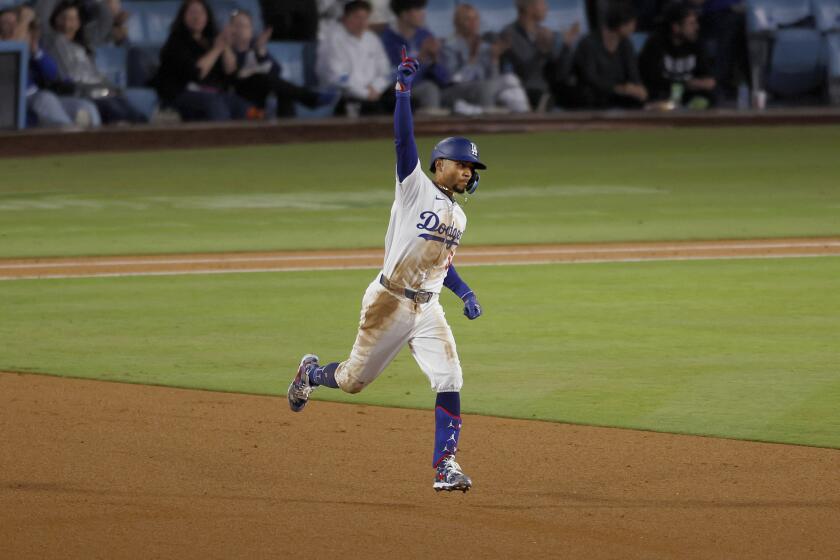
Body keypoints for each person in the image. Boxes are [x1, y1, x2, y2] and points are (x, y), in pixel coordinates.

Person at [286, 48, 485, 493]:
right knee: (354, 381)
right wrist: (402, 91)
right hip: (389, 301)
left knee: (450, 377)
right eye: (463, 163)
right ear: (440, 165)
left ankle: (445, 466)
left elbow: (440, 265)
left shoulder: (460, 217)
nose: (469, 171)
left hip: (428, 308)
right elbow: (402, 141)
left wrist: (465, 292)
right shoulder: (414, 188)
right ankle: (311, 374)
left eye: (472, 166)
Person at [43, 0, 146, 123]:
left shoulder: (84, 42)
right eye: (63, 18)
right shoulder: (50, 40)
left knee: (137, 116)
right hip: (80, 93)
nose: (67, 24)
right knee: (118, 114)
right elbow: (42, 14)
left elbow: (105, 18)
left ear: (78, 23)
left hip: (102, 92)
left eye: (72, 19)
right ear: (54, 19)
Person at [155, 0, 251, 121]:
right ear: (183, 16)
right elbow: (196, 73)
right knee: (214, 102)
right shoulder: (175, 43)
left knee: (244, 107)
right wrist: (216, 50)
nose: (197, 17)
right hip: (182, 94)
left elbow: (231, 73)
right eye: (193, 12)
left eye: (201, 13)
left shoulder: (212, 40)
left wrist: (225, 44)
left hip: (216, 93)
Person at [229, 9, 334, 118]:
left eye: (247, 26)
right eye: (239, 25)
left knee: (284, 93)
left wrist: (261, 52)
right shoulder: (229, 49)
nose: (243, 30)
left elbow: (276, 71)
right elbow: (232, 75)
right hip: (241, 91)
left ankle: (289, 131)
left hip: (263, 90)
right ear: (231, 29)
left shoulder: (256, 47)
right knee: (263, 78)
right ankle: (310, 98)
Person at [441, 3, 530, 114]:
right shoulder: (450, 47)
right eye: (468, 19)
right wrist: (472, 59)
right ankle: (488, 119)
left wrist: (494, 59)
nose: (474, 23)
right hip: (456, 91)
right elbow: (454, 80)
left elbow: (493, 78)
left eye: (476, 19)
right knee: (487, 87)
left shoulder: (484, 46)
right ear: (458, 23)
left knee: (510, 78)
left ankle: (524, 116)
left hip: (484, 87)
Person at [500, 0, 581, 111]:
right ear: (529, 8)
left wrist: (566, 47)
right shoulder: (509, 34)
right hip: (523, 97)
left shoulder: (546, 34)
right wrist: (542, 52)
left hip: (548, 94)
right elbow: (523, 73)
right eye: (542, 3)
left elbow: (560, 74)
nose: (547, 8)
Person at [316, 0, 393, 116]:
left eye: (365, 18)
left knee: (407, 101)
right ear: (345, 18)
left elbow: (385, 71)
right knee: (375, 110)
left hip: (374, 93)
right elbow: (337, 77)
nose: (361, 22)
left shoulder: (372, 39)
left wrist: (376, 88)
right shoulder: (333, 40)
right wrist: (365, 93)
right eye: (357, 17)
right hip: (345, 96)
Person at [571, 0, 647, 109]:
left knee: (638, 98)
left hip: (619, 95)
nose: (633, 28)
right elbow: (590, 77)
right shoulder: (588, 43)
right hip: (595, 95)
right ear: (621, 24)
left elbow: (633, 72)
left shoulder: (626, 44)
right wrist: (619, 88)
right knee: (589, 95)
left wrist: (638, 87)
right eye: (632, 24)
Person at [639, 2, 715, 108]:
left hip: (688, 97)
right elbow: (652, 81)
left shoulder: (696, 43)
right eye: (691, 24)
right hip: (661, 98)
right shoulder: (655, 44)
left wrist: (704, 82)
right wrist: (687, 84)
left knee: (709, 98)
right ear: (676, 27)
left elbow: (707, 77)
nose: (696, 27)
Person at [379, 0, 450, 111]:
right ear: (404, 15)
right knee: (429, 89)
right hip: (403, 92)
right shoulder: (388, 41)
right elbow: (396, 80)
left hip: (437, 88)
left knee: (481, 89)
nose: (423, 14)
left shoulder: (425, 35)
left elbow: (444, 79)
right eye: (418, 10)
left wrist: (435, 59)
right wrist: (420, 58)